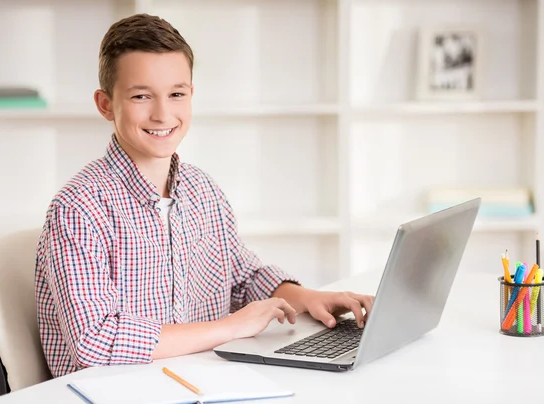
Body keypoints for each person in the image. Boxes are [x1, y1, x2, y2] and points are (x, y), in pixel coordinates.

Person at [35, 13, 375, 378]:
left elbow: (243, 278)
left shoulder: (203, 191)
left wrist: (309, 297)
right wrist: (231, 327)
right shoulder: (78, 209)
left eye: (176, 94)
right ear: (105, 104)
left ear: (191, 96)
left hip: (199, 379)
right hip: (113, 390)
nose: (163, 112)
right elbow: (95, 342)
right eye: (141, 96)